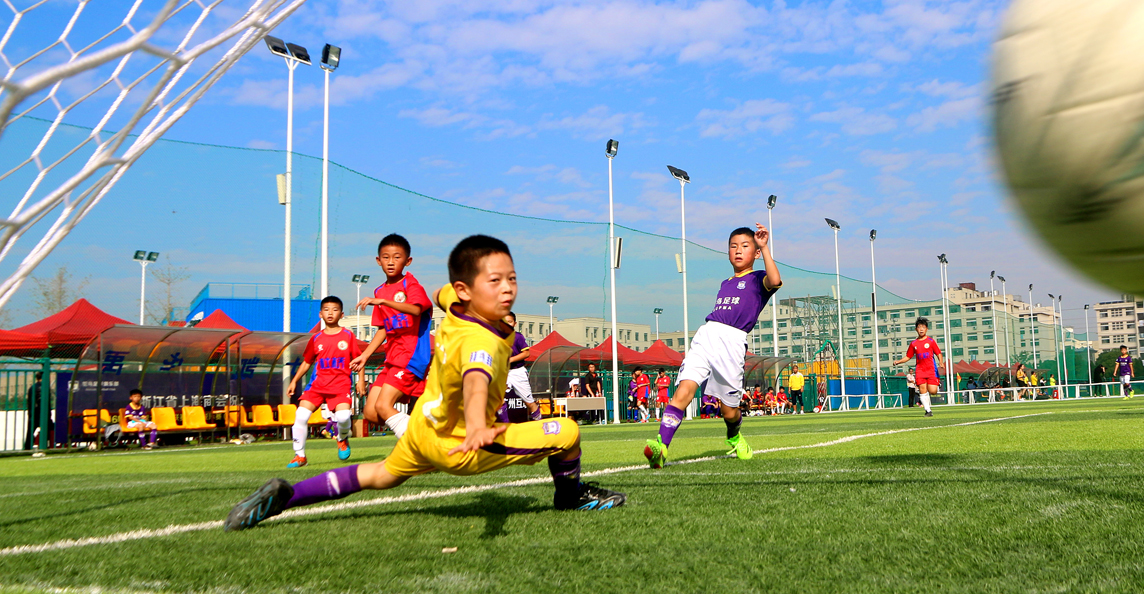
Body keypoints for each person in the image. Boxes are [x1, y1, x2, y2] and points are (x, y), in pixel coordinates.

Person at [224, 234, 624, 531]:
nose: (506, 288)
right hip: (459, 445)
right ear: (469, 290)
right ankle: (569, 498)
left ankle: (287, 496)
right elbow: (476, 380)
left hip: (421, 433)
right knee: (568, 431)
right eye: (494, 281)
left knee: (378, 475)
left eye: (511, 279)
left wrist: (454, 295)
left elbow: (437, 293)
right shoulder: (481, 341)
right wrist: (479, 425)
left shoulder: (455, 303)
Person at [644, 223, 782, 466]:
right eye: (733, 246)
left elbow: (776, 280)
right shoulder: (725, 283)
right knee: (683, 390)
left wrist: (765, 248)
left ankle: (735, 435)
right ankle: (661, 447)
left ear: (756, 253)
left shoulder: (759, 278)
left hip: (732, 343)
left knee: (729, 411)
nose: (738, 250)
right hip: (706, 336)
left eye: (745, 246)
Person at [351, 234, 432, 439]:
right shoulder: (379, 291)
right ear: (378, 261)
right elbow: (383, 329)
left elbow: (415, 310)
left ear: (408, 261)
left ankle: (417, 448)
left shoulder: (410, 285)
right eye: (386, 257)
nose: (391, 262)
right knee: (371, 413)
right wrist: (365, 355)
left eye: (397, 257)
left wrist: (383, 302)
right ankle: (422, 431)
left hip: (411, 356)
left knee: (383, 405)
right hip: (392, 358)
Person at [283, 296, 357, 467]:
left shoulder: (348, 336)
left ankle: (342, 438)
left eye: (335, 309)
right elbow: (307, 362)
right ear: (320, 314)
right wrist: (294, 381)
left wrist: (360, 381)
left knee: (344, 417)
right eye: (326, 310)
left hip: (340, 386)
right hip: (317, 386)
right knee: (300, 416)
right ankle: (300, 456)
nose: (330, 313)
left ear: (342, 314)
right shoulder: (316, 338)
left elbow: (358, 359)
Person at [891, 317, 944, 417]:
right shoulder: (913, 344)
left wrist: (941, 362)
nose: (921, 329)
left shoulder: (931, 341)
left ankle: (937, 383)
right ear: (916, 329)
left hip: (931, 369)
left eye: (923, 327)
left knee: (933, 391)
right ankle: (928, 411)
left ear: (926, 329)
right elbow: (908, 356)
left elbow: (939, 353)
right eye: (919, 327)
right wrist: (898, 361)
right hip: (920, 370)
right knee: (922, 390)